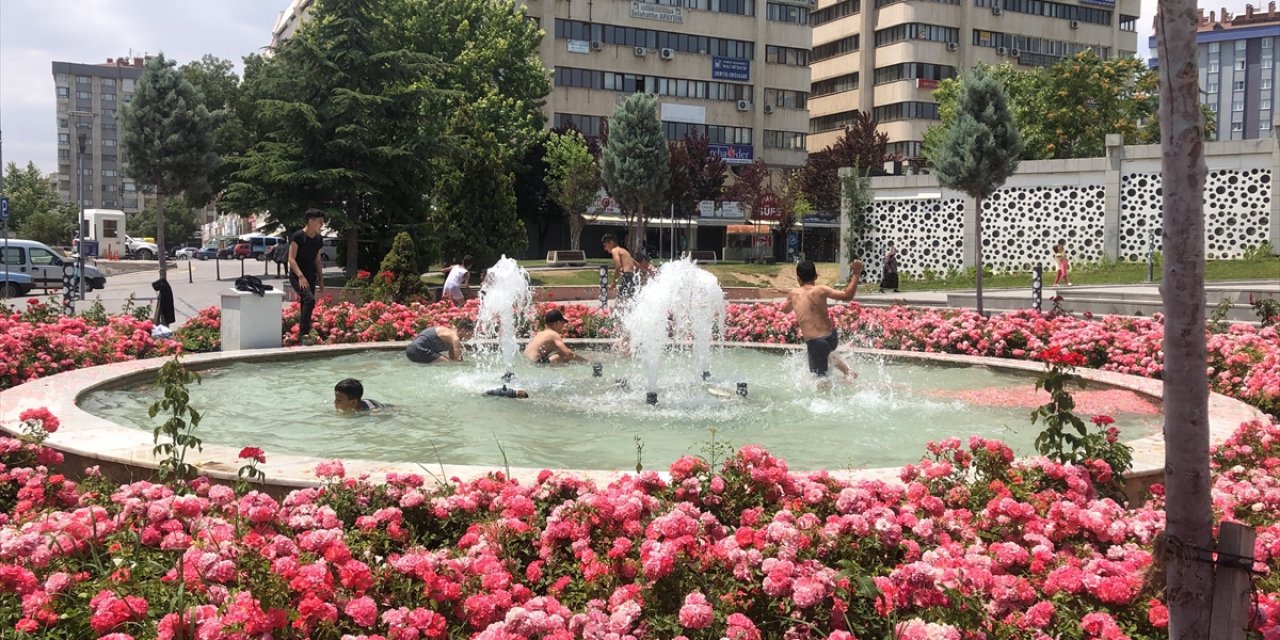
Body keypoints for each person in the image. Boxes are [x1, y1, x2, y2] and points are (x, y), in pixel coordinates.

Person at [782, 260, 863, 386]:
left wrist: (790, 300)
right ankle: (848, 372)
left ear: (798, 278)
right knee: (827, 353)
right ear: (816, 277)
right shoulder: (821, 289)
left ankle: (843, 397)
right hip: (831, 337)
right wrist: (856, 274)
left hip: (815, 342)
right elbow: (847, 296)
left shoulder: (794, 294)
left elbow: (785, 310)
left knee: (820, 381)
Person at [288, 209, 326, 345]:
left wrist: (321, 279)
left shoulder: (318, 239)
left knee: (306, 303)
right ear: (311, 221)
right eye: (320, 222)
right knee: (309, 300)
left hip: (310, 275)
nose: (322, 225)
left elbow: (317, 260)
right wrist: (300, 276)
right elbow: (291, 259)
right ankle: (304, 333)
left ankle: (304, 334)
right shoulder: (298, 236)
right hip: (297, 275)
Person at [523, 309, 589, 364]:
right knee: (562, 355)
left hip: (526, 362)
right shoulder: (554, 334)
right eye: (563, 323)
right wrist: (586, 362)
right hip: (535, 364)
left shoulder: (540, 333)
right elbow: (568, 353)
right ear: (557, 323)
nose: (563, 326)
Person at [405, 319, 474, 363]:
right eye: (470, 333)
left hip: (411, 350)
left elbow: (454, 359)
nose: (471, 336)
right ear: (463, 330)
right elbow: (458, 362)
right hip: (419, 349)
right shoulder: (455, 338)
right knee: (449, 365)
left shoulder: (451, 335)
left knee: (450, 363)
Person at [602, 234, 638, 299]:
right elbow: (637, 265)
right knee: (630, 300)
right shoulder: (624, 251)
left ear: (611, 243)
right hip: (633, 277)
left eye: (605, 245)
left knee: (620, 301)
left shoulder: (615, 250)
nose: (605, 249)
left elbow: (618, 265)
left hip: (627, 276)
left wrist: (614, 282)